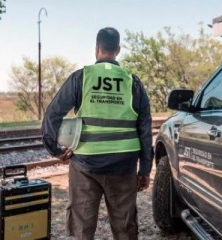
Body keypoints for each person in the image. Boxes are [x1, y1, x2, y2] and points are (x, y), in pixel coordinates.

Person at [42, 27, 153, 240]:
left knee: (82, 227)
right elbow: (145, 129)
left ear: (97, 49)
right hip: (124, 165)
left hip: (85, 165)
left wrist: (55, 149)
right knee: (125, 227)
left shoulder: (81, 77)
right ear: (118, 50)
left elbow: (52, 114)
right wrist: (145, 169)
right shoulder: (132, 81)